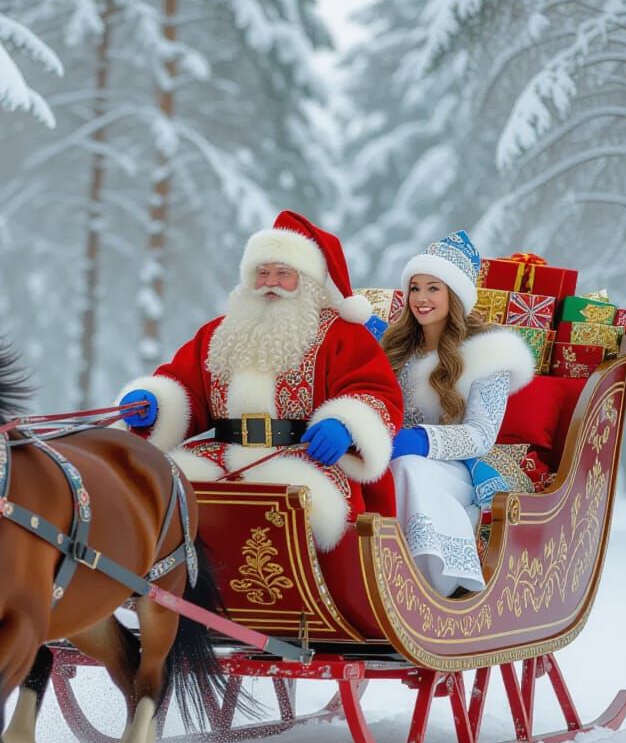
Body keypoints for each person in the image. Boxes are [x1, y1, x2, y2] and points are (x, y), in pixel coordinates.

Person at [117, 211, 403, 552]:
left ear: (308, 280)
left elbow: (375, 392)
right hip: (221, 453)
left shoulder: (340, 335)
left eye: (283, 273)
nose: (270, 282)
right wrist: (155, 404)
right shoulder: (220, 333)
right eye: (262, 272)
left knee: (300, 505)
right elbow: (185, 387)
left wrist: (345, 425)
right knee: (161, 488)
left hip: (306, 456)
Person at [380, 230, 535, 596]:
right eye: (415, 287)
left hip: (458, 468)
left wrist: (421, 440)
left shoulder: (488, 354)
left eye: (433, 288)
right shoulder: (396, 348)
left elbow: (481, 435)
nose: (421, 298)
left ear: (455, 294)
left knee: (409, 469)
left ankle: (430, 575)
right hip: (393, 455)